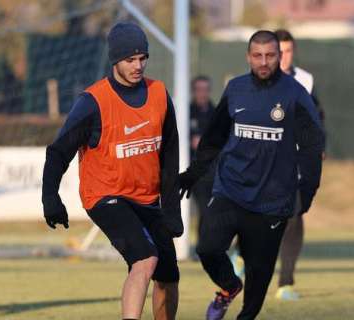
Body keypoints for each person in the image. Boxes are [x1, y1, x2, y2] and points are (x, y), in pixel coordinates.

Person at [179, 30, 325, 320]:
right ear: (248, 57)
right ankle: (230, 286)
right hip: (231, 191)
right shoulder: (235, 89)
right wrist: (193, 173)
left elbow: (312, 146)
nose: (264, 61)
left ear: (279, 57)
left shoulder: (295, 94)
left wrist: (305, 194)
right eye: (257, 55)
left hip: (273, 202)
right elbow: (214, 137)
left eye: (270, 55)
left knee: (258, 284)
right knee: (207, 248)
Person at [42, 22, 183, 320]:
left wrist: (171, 209)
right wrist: (50, 198)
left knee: (168, 276)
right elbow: (58, 152)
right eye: (130, 60)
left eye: (142, 58)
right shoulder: (92, 102)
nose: (138, 65)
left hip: (147, 198)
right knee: (145, 259)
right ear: (115, 60)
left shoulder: (159, 93)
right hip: (105, 196)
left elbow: (170, 153)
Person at [274, 28, 326, 301]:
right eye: (278, 51)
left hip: (294, 160)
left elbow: (317, 117)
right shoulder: (257, 81)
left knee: (293, 217)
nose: (283, 57)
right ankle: (240, 251)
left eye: (288, 51)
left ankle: (285, 283)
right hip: (263, 161)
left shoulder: (305, 80)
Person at [189, 75, 216, 238]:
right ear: (193, 91)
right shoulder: (185, 113)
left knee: (215, 210)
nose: (202, 93)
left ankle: (210, 245)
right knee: (205, 208)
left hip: (214, 170)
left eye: (205, 89)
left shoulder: (216, 113)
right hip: (194, 171)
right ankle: (202, 246)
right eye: (199, 89)